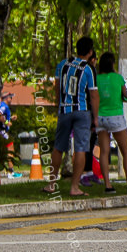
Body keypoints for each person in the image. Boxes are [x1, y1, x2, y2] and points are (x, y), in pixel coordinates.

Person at [47, 36, 98, 197]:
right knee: (81, 148)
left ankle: (51, 184)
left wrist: (59, 103)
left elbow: (57, 87)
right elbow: (93, 95)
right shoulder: (89, 69)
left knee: (58, 147)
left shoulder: (62, 65)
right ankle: (74, 187)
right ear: (90, 52)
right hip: (82, 112)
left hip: (64, 110)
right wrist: (95, 117)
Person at [94, 52, 127, 194]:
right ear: (112, 64)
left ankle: (107, 184)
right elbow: (125, 96)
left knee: (104, 152)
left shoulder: (96, 79)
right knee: (126, 152)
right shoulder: (118, 78)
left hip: (100, 117)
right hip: (116, 117)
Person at [0, 92, 22, 178]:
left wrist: (10, 119)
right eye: (11, 97)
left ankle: (8, 170)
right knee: (10, 149)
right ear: (6, 98)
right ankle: (11, 172)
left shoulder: (2, 105)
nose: (11, 99)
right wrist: (7, 122)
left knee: (2, 150)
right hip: (1, 131)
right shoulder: (4, 106)